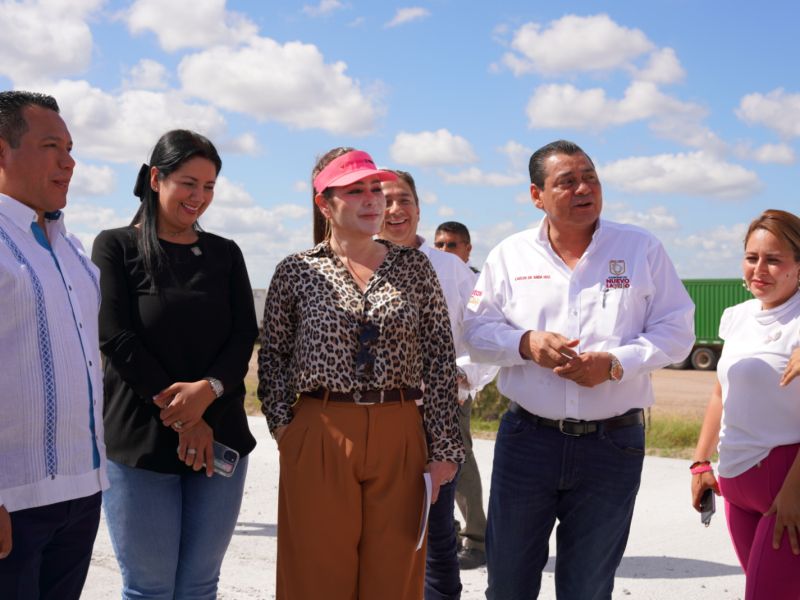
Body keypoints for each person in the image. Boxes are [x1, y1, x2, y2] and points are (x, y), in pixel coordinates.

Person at [463, 139, 695, 600]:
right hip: (527, 442)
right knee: (507, 583)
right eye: (567, 182)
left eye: (590, 177)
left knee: (587, 588)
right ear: (537, 195)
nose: (584, 188)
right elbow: (475, 331)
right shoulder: (509, 256)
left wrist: (614, 365)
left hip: (613, 446)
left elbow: (677, 330)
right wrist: (525, 344)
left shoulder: (640, 248)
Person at [258, 148, 464, 600]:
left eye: (376, 189)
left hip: (401, 429)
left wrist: (444, 448)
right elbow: (272, 356)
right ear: (325, 204)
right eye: (356, 191)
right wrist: (285, 430)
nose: (375, 201)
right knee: (315, 576)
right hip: (320, 431)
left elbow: (439, 357)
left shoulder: (414, 267)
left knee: (394, 576)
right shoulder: (296, 271)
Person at [92, 129, 258, 598]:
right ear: (155, 178)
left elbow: (244, 334)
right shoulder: (116, 247)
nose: (199, 197)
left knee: (200, 586)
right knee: (149, 588)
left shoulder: (225, 253)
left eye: (209, 187)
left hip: (220, 434)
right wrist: (185, 418)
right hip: (140, 442)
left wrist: (208, 391)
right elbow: (116, 337)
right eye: (189, 182)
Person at [0, 90, 108, 599]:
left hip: (82, 490)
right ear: (3, 152)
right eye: (51, 146)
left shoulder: (73, 248)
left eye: (70, 147)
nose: (69, 161)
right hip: (13, 499)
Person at [379, 172, 495, 596]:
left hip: (436, 421)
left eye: (404, 199)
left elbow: (486, 333)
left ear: (419, 208)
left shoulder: (451, 269)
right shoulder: (352, 264)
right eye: (384, 199)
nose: (395, 209)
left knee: (436, 537)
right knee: (378, 536)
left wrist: (465, 376)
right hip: (372, 421)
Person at [691, 209, 800, 600]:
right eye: (752, 257)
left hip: (786, 485)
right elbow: (722, 392)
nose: (760, 269)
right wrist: (701, 461)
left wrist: (793, 491)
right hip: (736, 485)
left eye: (774, 259)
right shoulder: (735, 317)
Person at [433, 220, 496, 570]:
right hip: (422, 388)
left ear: (468, 249)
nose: (445, 251)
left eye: (453, 245)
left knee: (461, 461)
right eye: (440, 244)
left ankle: (477, 538)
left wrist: (464, 379)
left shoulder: (475, 284)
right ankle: (449, 531)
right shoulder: (431, 274)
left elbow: (483, 341)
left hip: (455, 388)